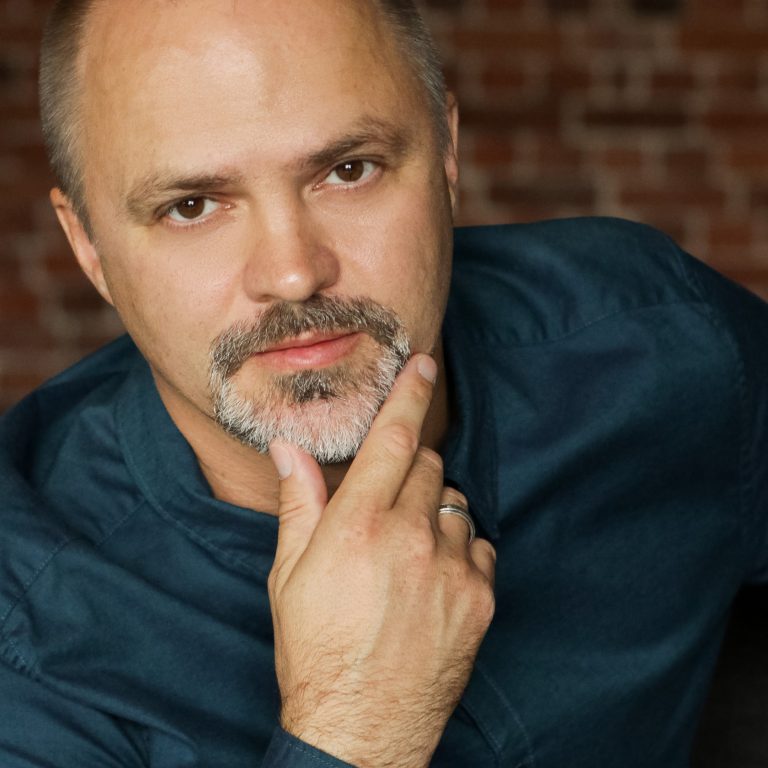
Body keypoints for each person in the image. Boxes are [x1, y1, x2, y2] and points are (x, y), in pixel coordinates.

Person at [1, 0, 767, 765]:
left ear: (447, 156)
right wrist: (356, 727)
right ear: (89, 247)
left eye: (348, 170)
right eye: (191, 206)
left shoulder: (662, 344)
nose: (294, 274)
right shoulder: (27, 653)